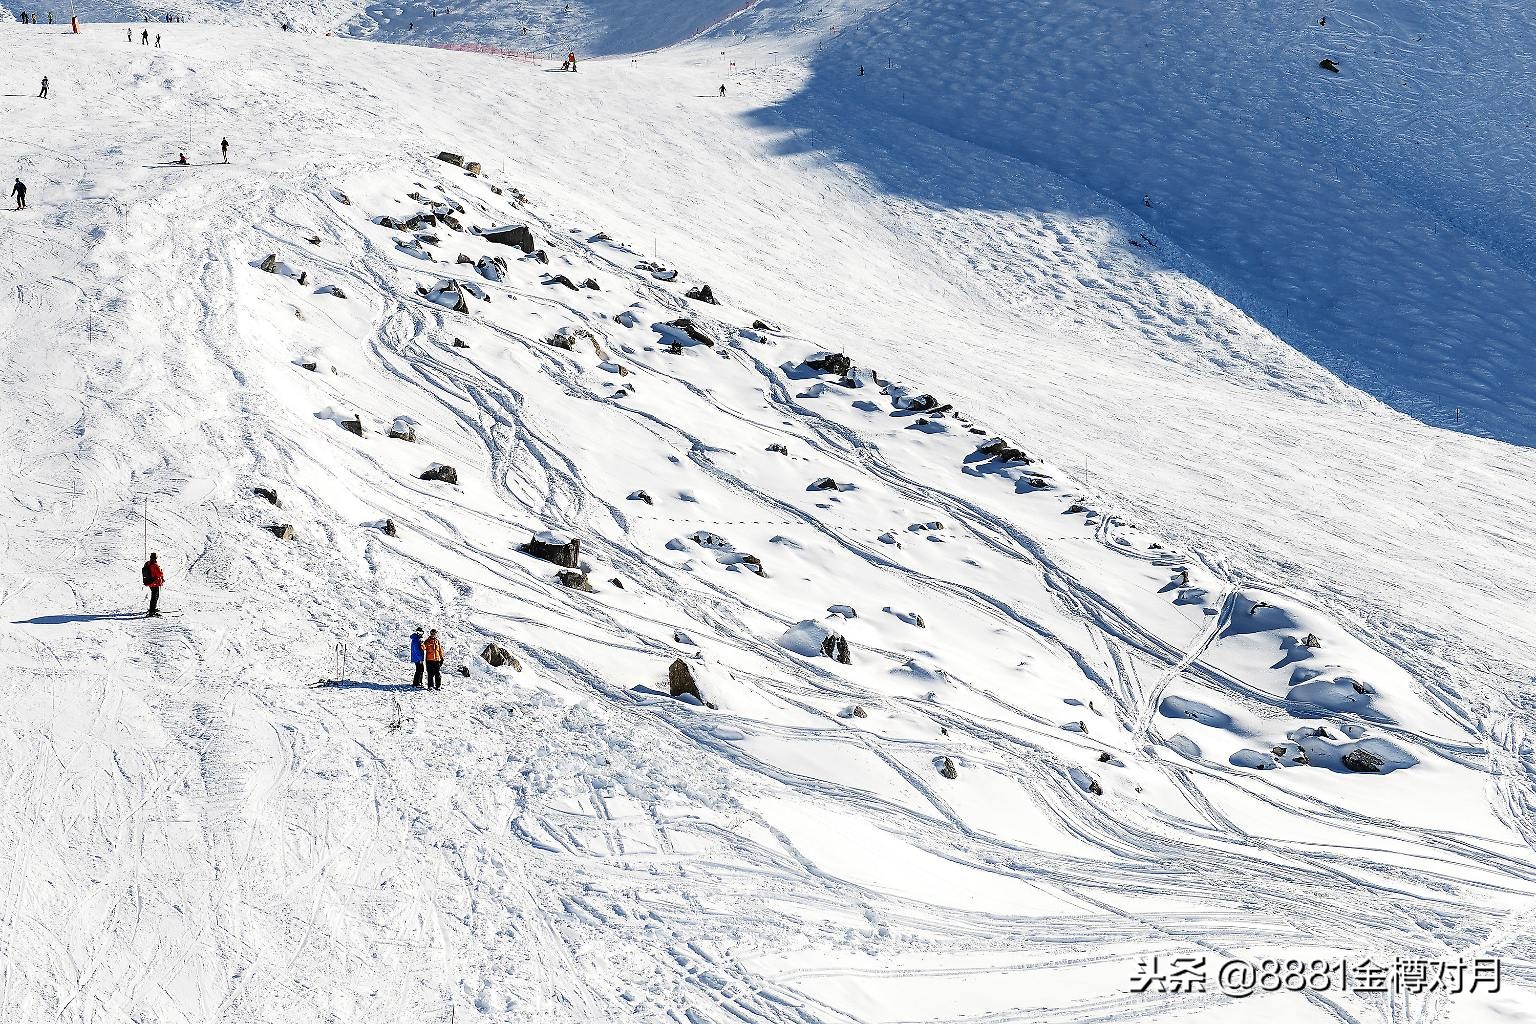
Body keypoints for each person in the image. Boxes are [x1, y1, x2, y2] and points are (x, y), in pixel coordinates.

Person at [141, 552, 164, 617]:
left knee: (154, 596)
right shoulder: (155, 565)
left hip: (150, 582)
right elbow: (159, 574)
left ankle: (153, 609)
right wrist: (161, 571)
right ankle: (152, 611)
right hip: (155, 583)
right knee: (155, 596)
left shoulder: (147, 563)